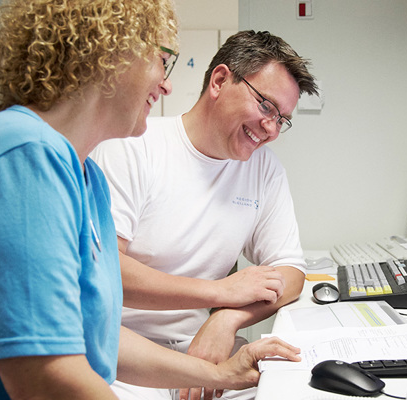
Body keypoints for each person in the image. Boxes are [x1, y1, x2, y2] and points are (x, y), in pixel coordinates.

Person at [0, 2, 300, 399]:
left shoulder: (86, 179)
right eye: (161, 59)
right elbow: (41, 374)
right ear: (110, 54)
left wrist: (219, 375)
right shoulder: (20, 154)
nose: (166, 82)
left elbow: (98, 339)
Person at [90, 30, 319, 399]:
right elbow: (107, 269)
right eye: (266, 106)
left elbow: (290, 271)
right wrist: (217, 293)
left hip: (205, 346)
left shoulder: (263, 169)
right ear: (219, 81)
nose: (272, 129)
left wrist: (226, 317)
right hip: (124, 355)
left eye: (282, 119)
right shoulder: (132, 148)